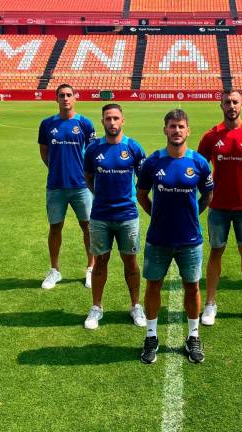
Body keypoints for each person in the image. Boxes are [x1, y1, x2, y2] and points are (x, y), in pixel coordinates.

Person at [136, 109, 214, 364]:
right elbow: (141, 194)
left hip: (190, 239)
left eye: (181, 126)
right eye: (172, 126)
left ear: (188, 130)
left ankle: (193, 335)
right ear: (165, 130)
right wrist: (155, 214)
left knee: (192, 286)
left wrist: (192, 214)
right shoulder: (153, 162)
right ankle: (150, 335)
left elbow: (208, 196)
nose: (176, 131)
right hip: (158, 238)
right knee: (153, 285)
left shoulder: (200, 163)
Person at [198, 90, 242, 328]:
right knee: (215, 252)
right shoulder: (211, 136)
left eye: (235, 102)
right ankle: (210, 304)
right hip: (217, 207)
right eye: (227, 102)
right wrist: (209, 193)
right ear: (221, 105)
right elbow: (199, 169)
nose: (231, 106)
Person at [82, 104, 147, 330]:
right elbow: (88, 177)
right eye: (108, 118)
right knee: (100, 262)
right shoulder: (92, 150)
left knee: (130, 262)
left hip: (128, 215)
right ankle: (97, 307)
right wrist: (100, 195)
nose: (112, 122)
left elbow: (144, 180)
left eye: (115, 118)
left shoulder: (133, 148)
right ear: (102, 122)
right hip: (100, 215)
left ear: (123, 121)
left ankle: (136, 305)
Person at [37, 84, 96, 290]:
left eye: (69, 95)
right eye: (61, 95)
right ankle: (55, 270)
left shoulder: (85, 124)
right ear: (56, 99)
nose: (65, 98)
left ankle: (91, 268)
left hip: (81, 186)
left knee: (87, 227)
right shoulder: (47, 124)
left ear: (75, 98)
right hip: (55, 186)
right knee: (55, 227)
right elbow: (44, 152)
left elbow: (92, 154)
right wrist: (55, 168)